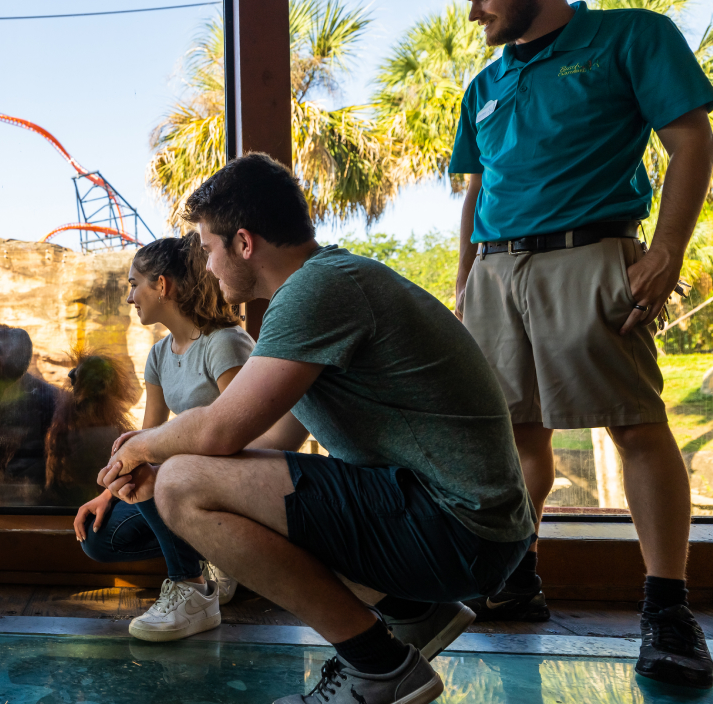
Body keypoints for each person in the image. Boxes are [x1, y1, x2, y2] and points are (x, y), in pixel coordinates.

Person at [98, 154, 534, 704]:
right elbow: (277, 436)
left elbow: (218, 431)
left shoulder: (317, 291)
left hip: (459, 530)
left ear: (244, 243)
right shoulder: (324, 285)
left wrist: (142, 448)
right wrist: (160, 462)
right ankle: (411, 611)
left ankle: (379, 666)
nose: (207, 267)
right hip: (464, 525)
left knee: (184, 486)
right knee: (184, 475)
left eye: (209, 249)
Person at [450, 0, 713, 689]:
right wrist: (465, 282)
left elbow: (691, 139)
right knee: (515, 439)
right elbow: (475, 190)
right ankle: (514, 578)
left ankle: (667, 612)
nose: (475, 11)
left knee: (635, 425)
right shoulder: (484, 85)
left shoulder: (632, 37)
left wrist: (667, 251)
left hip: (587, 255)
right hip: (495, 277)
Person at [75, 234, 252, 642]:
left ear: (163, 285)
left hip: (231, 485)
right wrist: (108, 493)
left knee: (156, 473)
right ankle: (211, 553)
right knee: (100, 540)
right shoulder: (159, 354)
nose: (130, 296)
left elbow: (248, 434)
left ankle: (192, 587)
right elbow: (149, 435)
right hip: (182, 483)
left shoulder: (224, 343)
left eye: (134, 284)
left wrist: (162, 466)